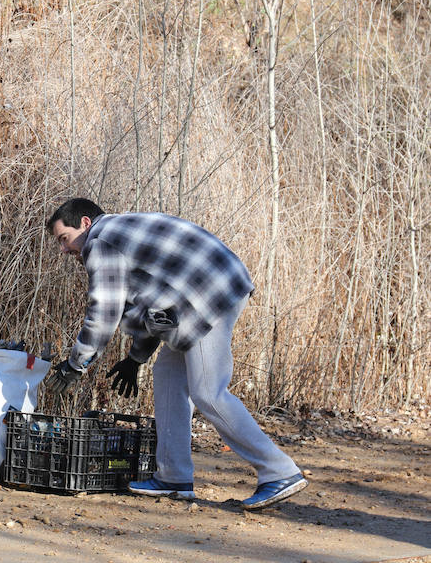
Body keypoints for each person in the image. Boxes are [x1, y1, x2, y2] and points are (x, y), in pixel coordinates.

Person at [44, 198, 306, 510]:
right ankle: (173, 477)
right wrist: (136, 358)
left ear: (85, 224)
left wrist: (77, 364)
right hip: (207, 289)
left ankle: (279, 471)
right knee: (167, 374)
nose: (64, 249)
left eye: (64, 239)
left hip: (209, 294)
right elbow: (150, 308)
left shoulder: (101, 243)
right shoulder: (120, 231)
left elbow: (103, 312)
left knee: (208, 392)